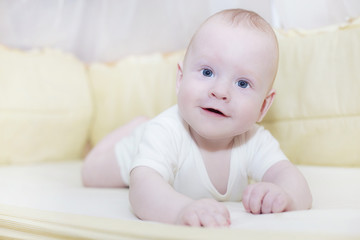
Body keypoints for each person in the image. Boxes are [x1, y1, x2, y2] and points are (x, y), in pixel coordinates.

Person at [82, 8, 312, 227]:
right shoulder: (165, 131)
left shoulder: (254, 141)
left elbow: (292, 180)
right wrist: (181, 211)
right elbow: (142, 189)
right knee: (90, 173)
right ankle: (136, 126)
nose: (220, 91)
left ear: (263, 106)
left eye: (242, 83)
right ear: (180, 79)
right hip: (137, 147)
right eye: (207, 72)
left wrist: (286, 196)